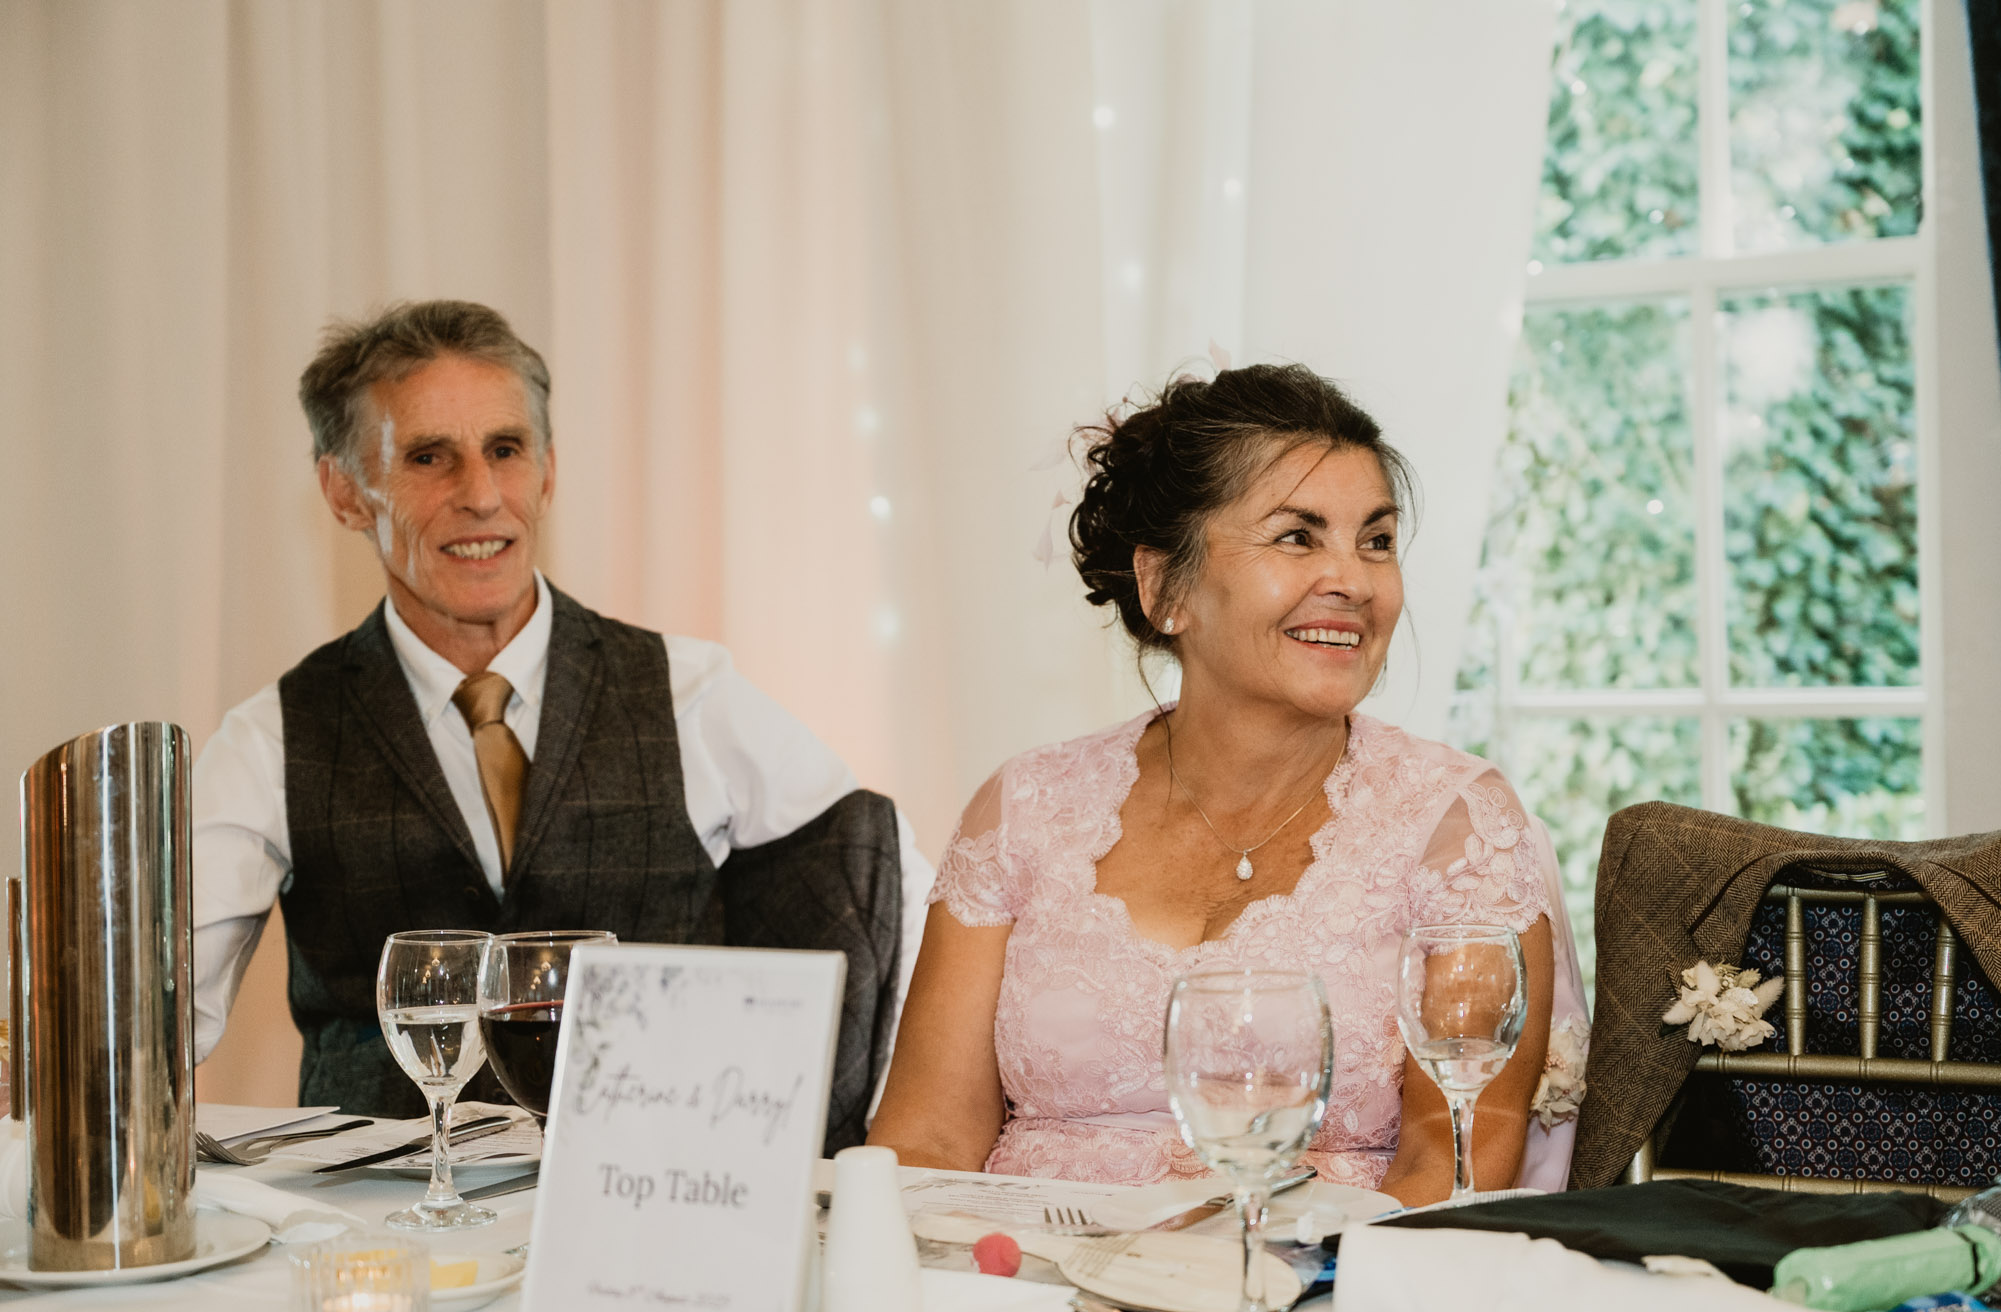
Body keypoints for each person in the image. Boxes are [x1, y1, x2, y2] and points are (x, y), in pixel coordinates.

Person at [866, 364, 1588, 1204]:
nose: (1355, 581)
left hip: (1314, 1277)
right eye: (1298, 537)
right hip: (1019, 1273)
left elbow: (1452, 1169)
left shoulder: (1458, 828)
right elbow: (927, 1139)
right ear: (1165, 586)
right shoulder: (1024, 808)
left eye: (1377, 541)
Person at [192, 299, 931, 1116]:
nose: (481, 496)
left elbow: (885, 893)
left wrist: (882, 1146)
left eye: (505, 450)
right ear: (344, 493)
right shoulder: (272, 740)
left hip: (646, 1180)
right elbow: (151, 1013)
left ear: (547, 472)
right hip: (391, 1195)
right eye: (430, 457)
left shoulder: (691, 694)